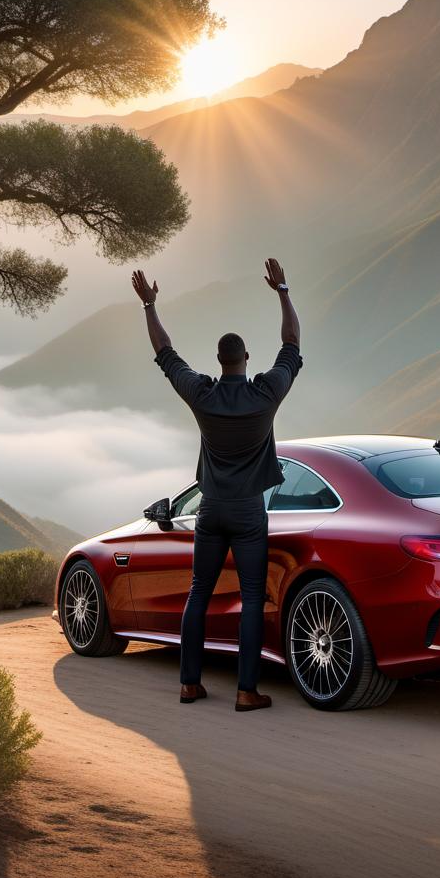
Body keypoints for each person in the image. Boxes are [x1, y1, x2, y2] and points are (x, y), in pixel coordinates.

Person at [131, 258, 302, 712]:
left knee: (199, 592)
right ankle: (247, 691)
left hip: (210, 510)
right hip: (248, 511)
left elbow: (165, 353)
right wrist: (283, 291)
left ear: (219, 361)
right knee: (250, 598)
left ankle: (189, 684)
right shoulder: (266, 393)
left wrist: (150, 305)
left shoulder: (202, 395)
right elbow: (291, 342)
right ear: (245, 360)